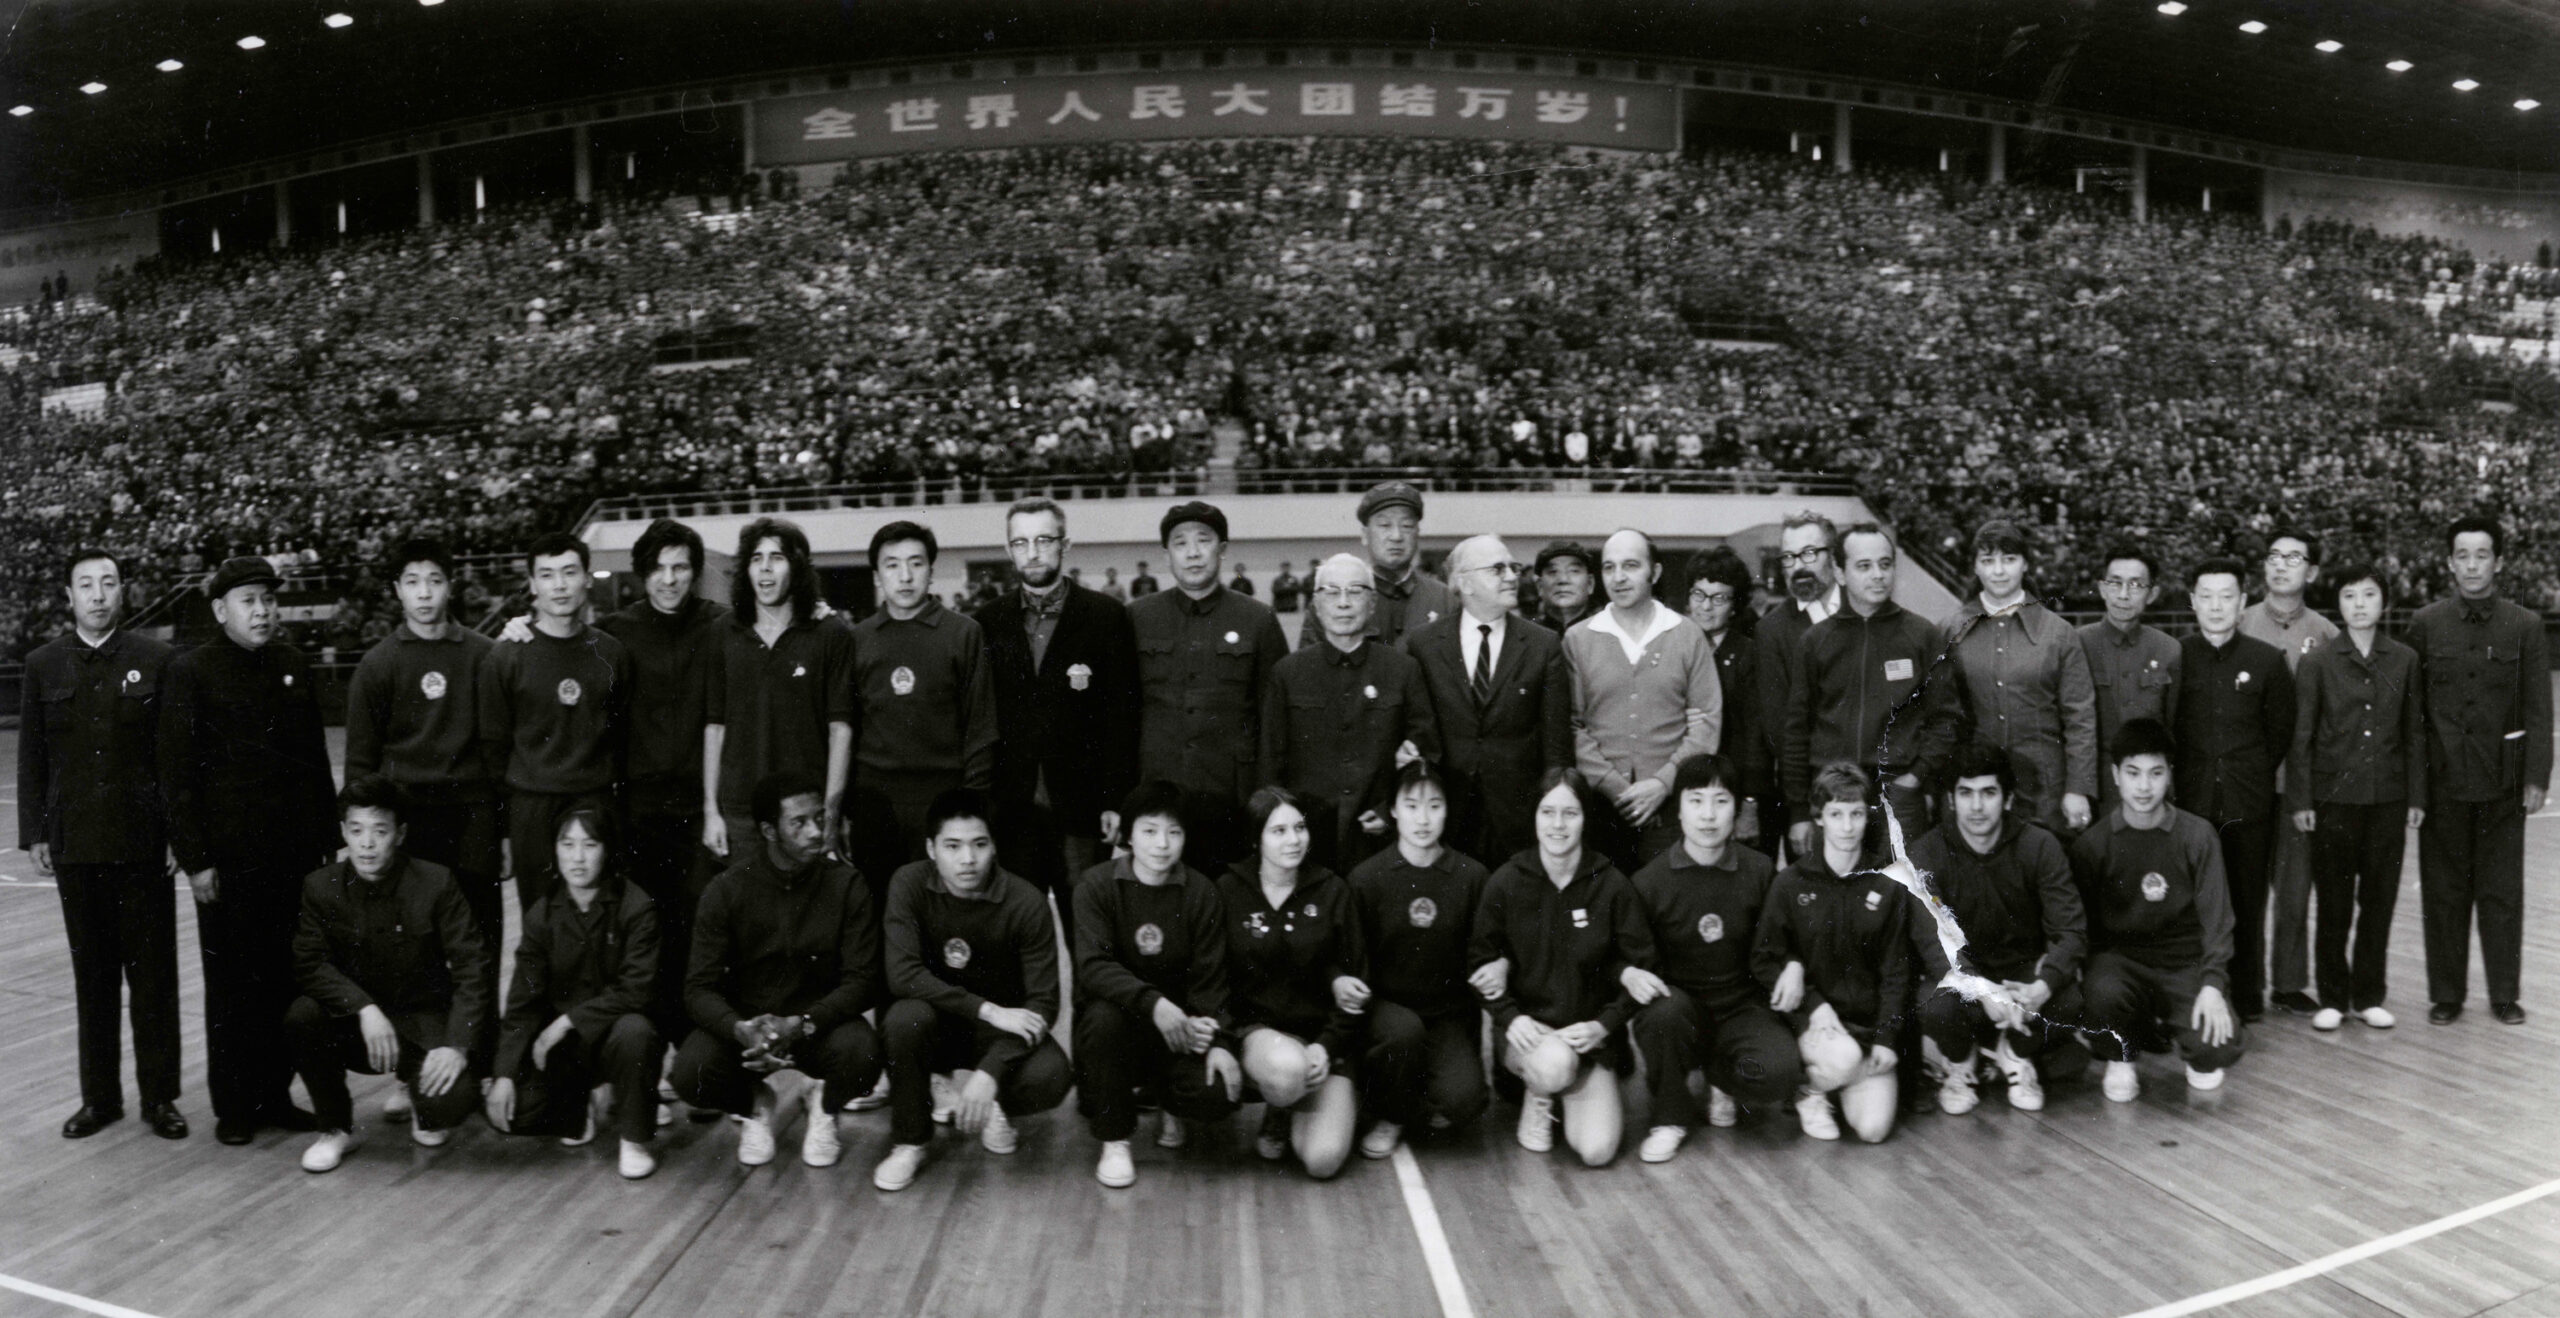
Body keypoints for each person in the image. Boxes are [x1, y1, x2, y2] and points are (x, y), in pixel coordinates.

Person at [162, 554, 338, 1145]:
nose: (262, 611)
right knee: (234, 987)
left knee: (286, 982)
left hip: (293, 859)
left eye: (268, 600)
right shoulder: (191, 671)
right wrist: (196, 860)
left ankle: (277, 1094)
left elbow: (314, 760)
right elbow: (177, 776)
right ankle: (235, 1106)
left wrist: (326, 844)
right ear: (220, 610)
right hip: (230, 865)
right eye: (248, 601)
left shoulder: (291, 663)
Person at [20, 548, 186, 1140]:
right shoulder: (43, 664)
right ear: (69, 597)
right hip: (76, 847)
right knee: (92, 980)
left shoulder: (157, 660)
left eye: (108, 583)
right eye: (85, 585)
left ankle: (160, 1098)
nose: (97, 594)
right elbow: (33, 756)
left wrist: (178, 835)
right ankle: (101, 1099)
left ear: (123, 593)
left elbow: (174, 757)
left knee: (153, 980)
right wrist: (36, 832)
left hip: (143, 845)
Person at [675, 770, 885, 1169]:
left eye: (820, 818)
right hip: (748, 1033)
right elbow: (698, 990)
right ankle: (754, 1103)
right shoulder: (726, 890)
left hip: (812, 1027)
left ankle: (824, 1104)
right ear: (770, 831)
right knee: (690, 1072)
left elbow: (863, 981)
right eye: (799, 823)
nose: (816, 832)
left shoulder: (847, 884)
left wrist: (802, 1024)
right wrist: (739, 1028)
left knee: (864, 1055)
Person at [286, 777, 491, 1173]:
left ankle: (421, 1098)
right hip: (358, 1027)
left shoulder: (436, 882)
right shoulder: (320, 886)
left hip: (420, 1021)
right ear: (343, 831)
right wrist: (363, 1008)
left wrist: (457, 1046)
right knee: (303, 1016)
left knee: (452, 1102)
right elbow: (310, 963)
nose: (366, 844)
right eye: (356, 830)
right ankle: (333, 1128)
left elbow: (472, 966)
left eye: (379, 831)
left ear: (400, 834)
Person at [874, 790, 1073, 1192]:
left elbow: (1044, 1002)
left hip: (999, 1035)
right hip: (939, 1024)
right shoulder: (909, 884)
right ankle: (909, 1142)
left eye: (979, 844)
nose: (968, 859)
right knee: (902, 1019)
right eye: (953, 846)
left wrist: (990, 1074)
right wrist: (988, 1009)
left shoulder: (1025, 901)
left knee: (1052, 1075)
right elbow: (903, 974)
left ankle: (992, 1103)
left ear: (994, 846)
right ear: (931, 848)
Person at [346, 538, 504, 1026]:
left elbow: (500, 752)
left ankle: (478, 1057)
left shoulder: (485, 655)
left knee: (479, 939)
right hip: (409, 821)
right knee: (415, 942)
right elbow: (360, 765)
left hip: (473, 815)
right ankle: (417, 1063)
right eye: (412, 583)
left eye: (434, 581)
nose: (424, 594)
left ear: (450, 586)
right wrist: (366, 835)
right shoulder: (378, 663)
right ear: (397, 591)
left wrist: (506, 830)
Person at [2406, 515, 2551, 1026]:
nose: (2472, 565)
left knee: (2501, 892)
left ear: (2499, 561)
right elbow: (2413, 712)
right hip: (2443, 781)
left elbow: (2538, 707)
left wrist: (2536, 778)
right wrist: (2417, 789)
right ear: (2449, 563)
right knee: (2443, 892)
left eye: (2482, 554)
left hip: (2502, 783)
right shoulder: (2425, 623)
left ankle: (2504, 994)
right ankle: (2446, 994)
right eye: (2462, 555)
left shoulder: (2525, 625)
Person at [977, 497, 1139, 951]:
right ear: (1009, 550)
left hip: (1081, 808)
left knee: (1088, 934)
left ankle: (1090, 1022)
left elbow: (1120, 717)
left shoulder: (1106, 616)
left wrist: (1114, 799)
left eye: (1044, 540)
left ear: (1065, 544)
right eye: (1021, 542)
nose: (1033, 552)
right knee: (1017, 937)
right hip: (1012, 808)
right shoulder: (985, 623)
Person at [1624, 754, 1803, 1164]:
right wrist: (1631, 973)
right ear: (1679, 810)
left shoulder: (1759, 871)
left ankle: (1722, 1076)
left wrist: (1793, 964)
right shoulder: (1649, 882)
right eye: (1696, 801)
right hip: (1681, 1012)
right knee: (1660, 1014)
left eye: (1721, 802)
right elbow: (1632, 958)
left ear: (1737, 811)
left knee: (1778, 1073)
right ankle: (1670, 1116)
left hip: (1742, 1010)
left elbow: (1784, 938)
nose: (1708, 815)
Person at [592, 519, 730, 1050]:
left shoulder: (722, 624)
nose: (669, 580)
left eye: (680, 568)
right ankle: (653, 1050)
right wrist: (516, 627)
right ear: (642, 573)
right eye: (659, 569)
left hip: (703, 807)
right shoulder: (614, 632)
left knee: (699, 929)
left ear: (695, 573)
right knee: (646, 931)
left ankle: (699, 1048)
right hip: (640, 811)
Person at [1471, 769, 1653, 1165]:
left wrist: (1603, 1025)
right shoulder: (1505, 882)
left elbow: (1641, 970)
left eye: (1569, 813)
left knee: (1598, 1151)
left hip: (1587, 1040)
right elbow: (1479, 963)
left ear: (1585, 819)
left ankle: (1566, 1093)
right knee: (1554, 1065)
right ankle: (1539, 1094)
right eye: (1547, 812)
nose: (1557, 825)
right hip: (1528, 1036)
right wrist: (1509, 1018)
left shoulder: (1611, 885)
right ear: (1534, 816)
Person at [1071, 782, 1242, 1188]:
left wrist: (1217, 1040)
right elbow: (1093, 967)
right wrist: (1155, 1005)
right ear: (1128, 835)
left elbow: (1211, 979)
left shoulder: (1202, 892)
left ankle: (1170, 1102)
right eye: (1149, 831)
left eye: (1174, 832)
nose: (1162, 844)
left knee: (1217, 1094)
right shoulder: (1096, 885)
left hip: (1178, 1032)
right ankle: (1115, 1141)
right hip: (1116, 1031)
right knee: (1102, 1017)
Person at [1905, 743, 2088, 1116]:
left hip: (2022, 980)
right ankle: (1961, 1062)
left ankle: (2014, 1054)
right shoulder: (1927, 853)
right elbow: (1933, 942)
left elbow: (2071, 930)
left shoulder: (2040, 845)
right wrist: (1981, 988)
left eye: (1988, 793)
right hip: (1966, 983)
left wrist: (2043, 985)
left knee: (2070, 998)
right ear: (1951, 800)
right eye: (1966, 794)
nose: (1976, 807)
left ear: (2007, 799)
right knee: (1932, 1003)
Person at [2070, 719, 2244, 1101]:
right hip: (2123, 964)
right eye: (2133, 773)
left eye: (2155, 773)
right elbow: (2083, 934)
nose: (2144, 786)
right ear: (2116, 775)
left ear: (2170, 775)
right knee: (2101, 989)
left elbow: (2219, 919)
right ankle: (2122, 1054)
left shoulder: (2197, 836)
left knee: (2218, 1045)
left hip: (2184, 964)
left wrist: (2213, 986)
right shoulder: (2093, 845)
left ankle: (2176, 1027)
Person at [485, 808, 663, 1180]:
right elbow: (522, 1001)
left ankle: (634, 1137)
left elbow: (636, 991)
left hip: (614, 1034)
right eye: (567, 845)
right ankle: (582, 1101)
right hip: (567, 1050)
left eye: (589, 844)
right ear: (555, 850)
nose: (577, 857)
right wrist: (503, 1075)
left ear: (607, 849)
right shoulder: (542, 914)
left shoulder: (635, 905)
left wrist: (568, 1020)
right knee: (514, 1115)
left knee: (636, 1032)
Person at [2285, 563, 2425, 1032]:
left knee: (2379, 901)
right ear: (2338, 604)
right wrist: (2302, 800)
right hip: (2333, 800)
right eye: (2350, 595)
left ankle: (2369, 995)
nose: (2359, 604)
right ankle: (2332, 996)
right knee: (2334, 902)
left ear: (2384, 603)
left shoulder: (2404, 659)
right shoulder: (2318, 660)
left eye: (2369, 595)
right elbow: (2301, 736)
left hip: (2387, 797)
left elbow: (2414, 734)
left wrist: (2416, 796)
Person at [1752, 763, 1912, 1144]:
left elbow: (1897, 971)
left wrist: (1887, 1038)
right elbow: (1762, 959)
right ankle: (1810, 1089)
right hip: (1814, 1023)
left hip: (1865, 1028)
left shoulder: (1888, 883)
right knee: (1842, 1059)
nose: (1846, 826)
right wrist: (1811, 1002)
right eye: (1836, 814)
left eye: (1855, 814)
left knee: (1873, 1131)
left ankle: (1838, 1082)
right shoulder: (1790, 883)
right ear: (1819, 818)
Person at [1781, 523, 1962, 858]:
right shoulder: (1815, 642)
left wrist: (1915, 777)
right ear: (1839, 571)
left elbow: (1946, 719)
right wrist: (1797, 812)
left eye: (1885, 564)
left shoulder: (1923, 636)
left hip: (1898, 794)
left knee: (1902, 899)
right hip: (1834, 794)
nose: (1878, 575)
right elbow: (1796, 732)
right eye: (1864, 566)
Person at [1129, 501, 1290, 876]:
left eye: (1204, 540)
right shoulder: (1138, 617)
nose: (1193, 552)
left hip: (1231, 797)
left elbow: (1274, 716)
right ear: (1165, 553)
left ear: (1223, 548)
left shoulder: (1258, 618)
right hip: (1157, 795)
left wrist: (1267, 798)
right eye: (1181, 543)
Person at [1344, 762, 1495, 1159]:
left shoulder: (1472, 876)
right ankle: (1391, 1112)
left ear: (1448, 809)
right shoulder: (1366, 878)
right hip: (1387, 1015)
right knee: (1403, 1032)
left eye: (1434, 806)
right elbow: (1353, 964)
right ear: (1392, 810)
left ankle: (1419, 1095)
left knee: (1465, 1102)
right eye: (1411, 806)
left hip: (1446, 1015)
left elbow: (1485, 955)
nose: (1423, 819)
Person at [478, 532, 633, 913]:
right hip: (532, 809)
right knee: (541, 922)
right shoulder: (506, 657)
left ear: (586, 577)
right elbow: (493, 750)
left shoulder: (610, 652)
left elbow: (622, 737)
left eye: (569, 572)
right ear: (532, 585)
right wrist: (504, 831)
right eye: (547, 575)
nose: (559, 585)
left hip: (595, 802)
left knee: (600, 921)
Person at [1216, 788, 1364, 1179]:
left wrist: (1327, 1045)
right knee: (1286, 1069)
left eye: (1299, 828)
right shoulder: (1228, 891)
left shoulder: (1333, 890)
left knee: (1322, 1161)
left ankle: (1330, 1103)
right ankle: (1280, 1106)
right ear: (1256, 839)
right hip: (1260, 1038)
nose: (1294, 840)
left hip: (1321, 1046)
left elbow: (1357, 982)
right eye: (1278, 831)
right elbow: (1212, 978)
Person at [1261, 553, 1441, 874]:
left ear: (1372, 603)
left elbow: (1426, 752)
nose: (1343, 603)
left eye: (1355, 592)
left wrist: (1390, 811)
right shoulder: (1288, 673)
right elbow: (1271, 764)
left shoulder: (1402, 670)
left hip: (1379, 841)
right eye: (1332, 592)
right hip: (1305, 843)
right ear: (1316, 604)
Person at [848, 520, 999, 901]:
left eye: (916, 563)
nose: (905, 576)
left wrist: (971, 804)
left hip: (943, 797)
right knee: (881, 909)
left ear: (931, 570)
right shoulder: (858, 639)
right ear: (878, 575)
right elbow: (847, 726)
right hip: (876, 800)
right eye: (892, 565)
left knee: (944, 911)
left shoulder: (963, 633)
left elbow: (981, 723)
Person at [2172, 558, 2295, 1024]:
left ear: (2243, 603)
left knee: (2246, 900)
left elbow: (2279, 731)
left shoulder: (2267, 661)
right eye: (2207, 595)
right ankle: (2193, 996)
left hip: (2248, 804)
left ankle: (2246, 997)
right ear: (2192, 602)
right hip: (2190, 805)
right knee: (2191, 906)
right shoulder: (2176, 655)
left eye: (2228, 596)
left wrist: (2249, 774)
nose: (2217, 605)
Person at [1403, 534, 1573, 864]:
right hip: (1447, 815)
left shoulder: (1544, 645)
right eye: (1497, 569)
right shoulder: (1423, 645)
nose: (1511, 577)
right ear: (1464, 583)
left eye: (1513, 567)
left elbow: (1557, 747)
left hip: (1519, 817)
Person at [1564, 529, 1721, 872]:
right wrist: (1614, 785)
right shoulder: (1578, 638)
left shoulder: (1687, 634)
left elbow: (1707, 723)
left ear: (1656, 572)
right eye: (1609, 567)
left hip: (1670, 809)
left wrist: (1662, 783)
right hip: (1601, 807)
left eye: (1631, 565)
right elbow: (1569, 725)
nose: (1618, 577)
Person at [703, 518, 855, 871]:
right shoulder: (723, 633)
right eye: (757, 558)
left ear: (797, 567)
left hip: (805, 811)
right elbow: (715, 727)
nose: (766, 568)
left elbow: (841, 731)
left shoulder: (829, 633)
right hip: (740, 812)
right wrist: (712, 810)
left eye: (777, 557)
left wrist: (829, 812)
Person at [1938, 520, 2099, 836]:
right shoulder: (1948, 630)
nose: (1998, 571)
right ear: (1975, 567)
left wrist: (2079, 788)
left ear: (2025, 563)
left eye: (2009, 559)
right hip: (1974, 790)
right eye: (1988, 560)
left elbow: (2080, 717)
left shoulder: (2059, 634)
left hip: (2045, 792)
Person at [2244, 529, 2340, 1019]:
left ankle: (2288, 983)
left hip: (2301, 786)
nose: (2282, 566)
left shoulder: (2326, 634)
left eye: (2294, 558)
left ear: (2313, 572)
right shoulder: (2238, 623)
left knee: (2296, 889)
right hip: (2246, 784)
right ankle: (2244, 985)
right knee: (2244, 889)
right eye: (2274, 557)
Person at [1753, 511, 1846, 856]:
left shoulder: (1866, 609)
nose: (1798, 566)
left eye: (1809, 553)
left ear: (1833, 555)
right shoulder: (1772, 631)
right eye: (1790, 557)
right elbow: (1780, 731)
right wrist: (1799, 811)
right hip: (1813, 799)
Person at [2077, 544, 2182, 814]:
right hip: (2095, 790)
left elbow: (2172, 726)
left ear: (2152, 593)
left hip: (2151, 792)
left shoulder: (2169, 650)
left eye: (2136, 585)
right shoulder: (2077, 644)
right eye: (2115, 583)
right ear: (2101, 588)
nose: (2124, 595)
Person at [1297, 481, 1455, 645]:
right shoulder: (1332, 598)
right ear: (1365, 535)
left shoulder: (1444, 599)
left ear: (1417, 534)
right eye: (1384, 525)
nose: (1396, 536)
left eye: (1407, 525)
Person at [1686, 546, 1770, 845]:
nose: (1706, 607)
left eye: (1719, 598)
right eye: (1699, 594)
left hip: (1733, 789)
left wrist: (1749, 802)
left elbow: (1755, 736)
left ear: (1735, 605)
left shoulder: (1749, 654)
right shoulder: (1674, 649)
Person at [1530, 540, 1603, 636]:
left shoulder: (1605, 633)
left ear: (1590, 584)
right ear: (1539, 586)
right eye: (1553, 571)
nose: (1563, 580)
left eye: (1573, 571)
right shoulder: (1527, 635)